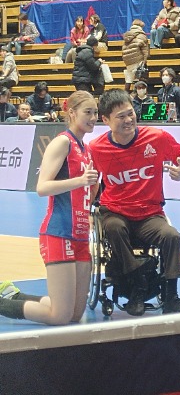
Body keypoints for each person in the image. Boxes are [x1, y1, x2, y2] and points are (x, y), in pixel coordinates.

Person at [89, 89, 180, 315]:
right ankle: (138, 281)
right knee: (113, 228)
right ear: (106, 120)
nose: (128, 120)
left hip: (149, 214)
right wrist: (85, 210)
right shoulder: (97, 148)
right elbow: (91, 183)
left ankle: (171, 297)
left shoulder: (156, 137)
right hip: (116, 212)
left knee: (172, 236)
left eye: (130, 113)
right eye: (121, 116)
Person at [0, 91, 99, 325]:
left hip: (81, 235)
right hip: (58, 232)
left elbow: (86, 192)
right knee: (60, 317)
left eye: (96, 112)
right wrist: (80, 181)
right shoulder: (63, 142)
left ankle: (14, 295)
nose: (93, 117)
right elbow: (42, 187)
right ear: (71, 112)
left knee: (75, 314)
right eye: (88, 112)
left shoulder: (86, 149)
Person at [122, 18, 149, 93]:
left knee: (128, 79)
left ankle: (125, 94)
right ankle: (136, 95)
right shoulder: (141, 35)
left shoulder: (128, 35)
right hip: (137, 59)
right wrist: (145, 61)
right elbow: (144, 50)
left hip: (128, 61)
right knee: (138, 78)